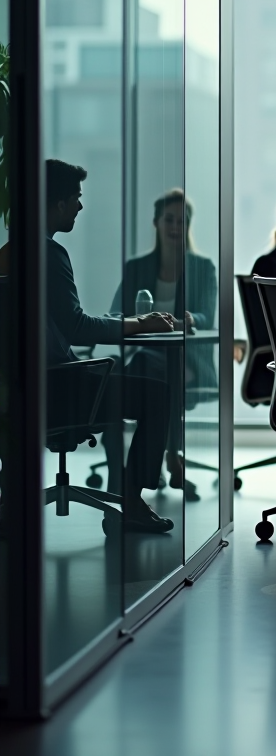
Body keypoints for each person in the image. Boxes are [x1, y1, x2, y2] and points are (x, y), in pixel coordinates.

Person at [46, 159, 177, 533]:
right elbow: (77, 327)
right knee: (156, 394)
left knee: (126, 376)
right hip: (58, 390)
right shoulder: (49, 253)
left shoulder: (10, 251)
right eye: (76, 198)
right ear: (58, 204)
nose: (80, 206)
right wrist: (139, 323)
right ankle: (130, 501)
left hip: (25, 389)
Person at [112, 189, 218, 502]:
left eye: (181, 221)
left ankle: (153, 461)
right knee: (154, 372)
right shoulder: (137, 267)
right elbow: (116, 311)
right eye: (169, 220)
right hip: (147, 355)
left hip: (189, 360)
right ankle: (172, 456)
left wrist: (189, 318)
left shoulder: (203, 267)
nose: (175, 226)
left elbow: (206, 315)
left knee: (157, 373)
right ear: (156, 223)